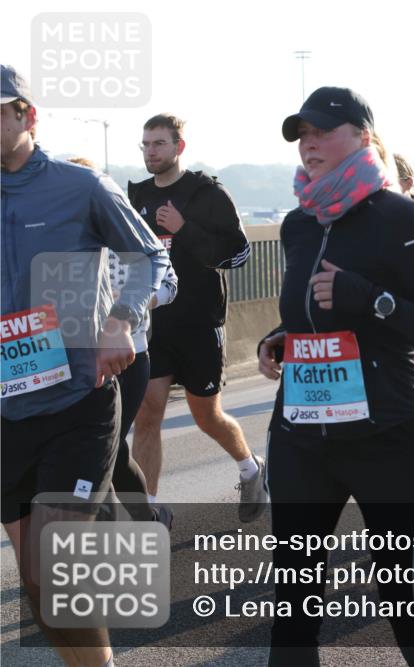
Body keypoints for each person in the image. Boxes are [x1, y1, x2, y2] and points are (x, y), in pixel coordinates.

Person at [258, 86, 414, 666]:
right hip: (303, 434)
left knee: (399, 591)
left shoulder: (402, 217)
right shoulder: (299, 224)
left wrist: (371, 299)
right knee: (294, 598)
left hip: (389, 439)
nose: (309, 144)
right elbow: (302, 312)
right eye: (302, 135)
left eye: (322, 131)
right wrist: (279, 340)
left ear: (364, 137)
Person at [1, 64, 169, 667]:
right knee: (42, 592)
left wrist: (120, 320)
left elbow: (149, 256)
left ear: (27, 115)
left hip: (79, 400)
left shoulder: (81, 187)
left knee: (56, 568)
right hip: (7, 412)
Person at [127, 114, 265, 523]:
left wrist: (184, 229)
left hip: (200, 324)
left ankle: (250, 467)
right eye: (146, 144)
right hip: (155, 325)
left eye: (159, 144)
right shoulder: (136, 197)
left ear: (178, 147)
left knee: (207, 415)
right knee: (147, 413)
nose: (151, 151)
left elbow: (239, 255)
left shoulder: (206, 193)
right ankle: (147, 511)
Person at [68, 156, 179, 527]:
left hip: (128, 356)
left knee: (108, 452)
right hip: (74, 359)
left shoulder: (126, 232)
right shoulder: (58, 242)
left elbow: (169, 281)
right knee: (92, 451)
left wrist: (135, 303)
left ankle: (142, 521)